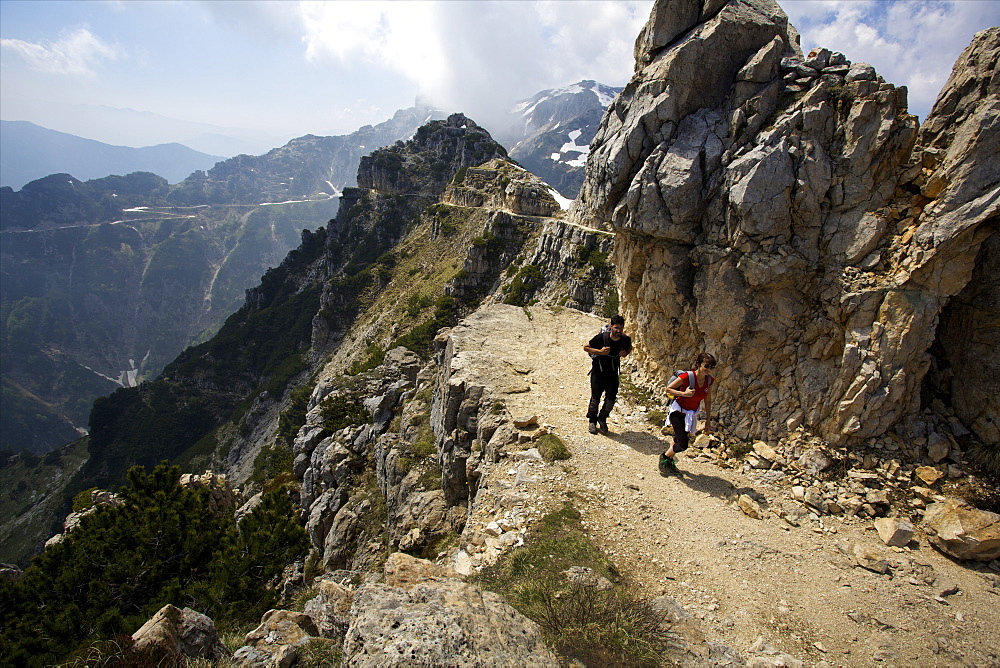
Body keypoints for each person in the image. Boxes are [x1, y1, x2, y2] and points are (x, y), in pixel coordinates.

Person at [659, 353, 716, 475]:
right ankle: (664, 457)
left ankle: (668, 462)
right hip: (678, 411)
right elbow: (668, 389)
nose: (709, 370)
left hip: (690, 415)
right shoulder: (687, 376)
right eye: (706, 366)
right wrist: (684, 394)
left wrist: (707, 421)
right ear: (699, 364)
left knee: (677, 439)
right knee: (683, 445)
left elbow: (708, 399)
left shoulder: (710, 381)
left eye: (712, 367)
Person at [583, 315, 632, 434]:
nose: (618, 331)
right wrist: (600, 352)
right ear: (610, 327)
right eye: (616, 328)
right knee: (595, 398)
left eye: (621, 328)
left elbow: (630, 348)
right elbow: (586, 347)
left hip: (613, 374)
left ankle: (602, 418)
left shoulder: (625, 339)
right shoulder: (602, 338)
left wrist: (625, 353)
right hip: (598, 373)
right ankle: (592, 421)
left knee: (611, 400)